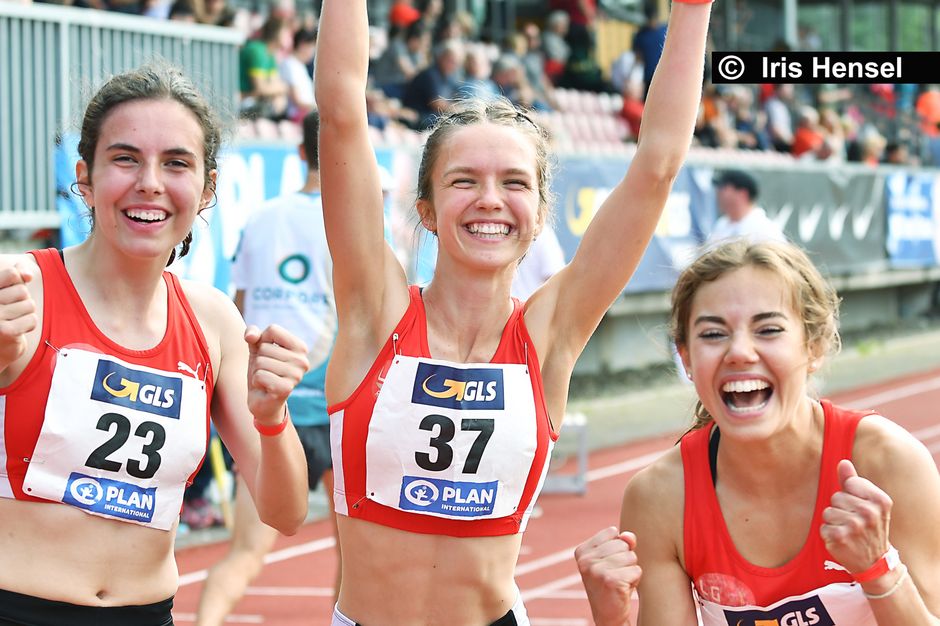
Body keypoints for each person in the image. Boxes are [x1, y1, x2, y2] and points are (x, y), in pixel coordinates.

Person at [314, 0, 711, 622]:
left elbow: (657, 165)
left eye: (515, 183)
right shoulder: (376, 313)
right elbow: (341, 114)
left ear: (539, 214)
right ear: (427, 209)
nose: (490, 201)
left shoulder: (549, 336)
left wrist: (692, 10)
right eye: (464, 180)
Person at [0, 62, 310, 625]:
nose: (150, 182)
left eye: (176, 163)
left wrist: (273, 417)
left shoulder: (212, 321)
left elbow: (285, 513)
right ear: (85, 179)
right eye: (125, 158)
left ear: (207, 188)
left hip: (147, 612)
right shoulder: (18, 289)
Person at [576, 240, 940, 625]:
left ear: (813, 347)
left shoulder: (887, 462)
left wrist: (877, 568)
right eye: (713, 334)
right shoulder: (661, 497)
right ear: (685, 357)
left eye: (768, 330)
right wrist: (611, 618)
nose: (739, 352)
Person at [195, 111, 339, 626]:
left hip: (272, 407)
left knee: (245, 555)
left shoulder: (260, 217)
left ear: (300, 154)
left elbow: (234, 311)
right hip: (336, 407)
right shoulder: (357, 223)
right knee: (358, 565)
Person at [705, 169, 786, 248]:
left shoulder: (765, 229)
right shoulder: (721, 224)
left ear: (742, 194)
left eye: (724, 188)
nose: (718, 193)